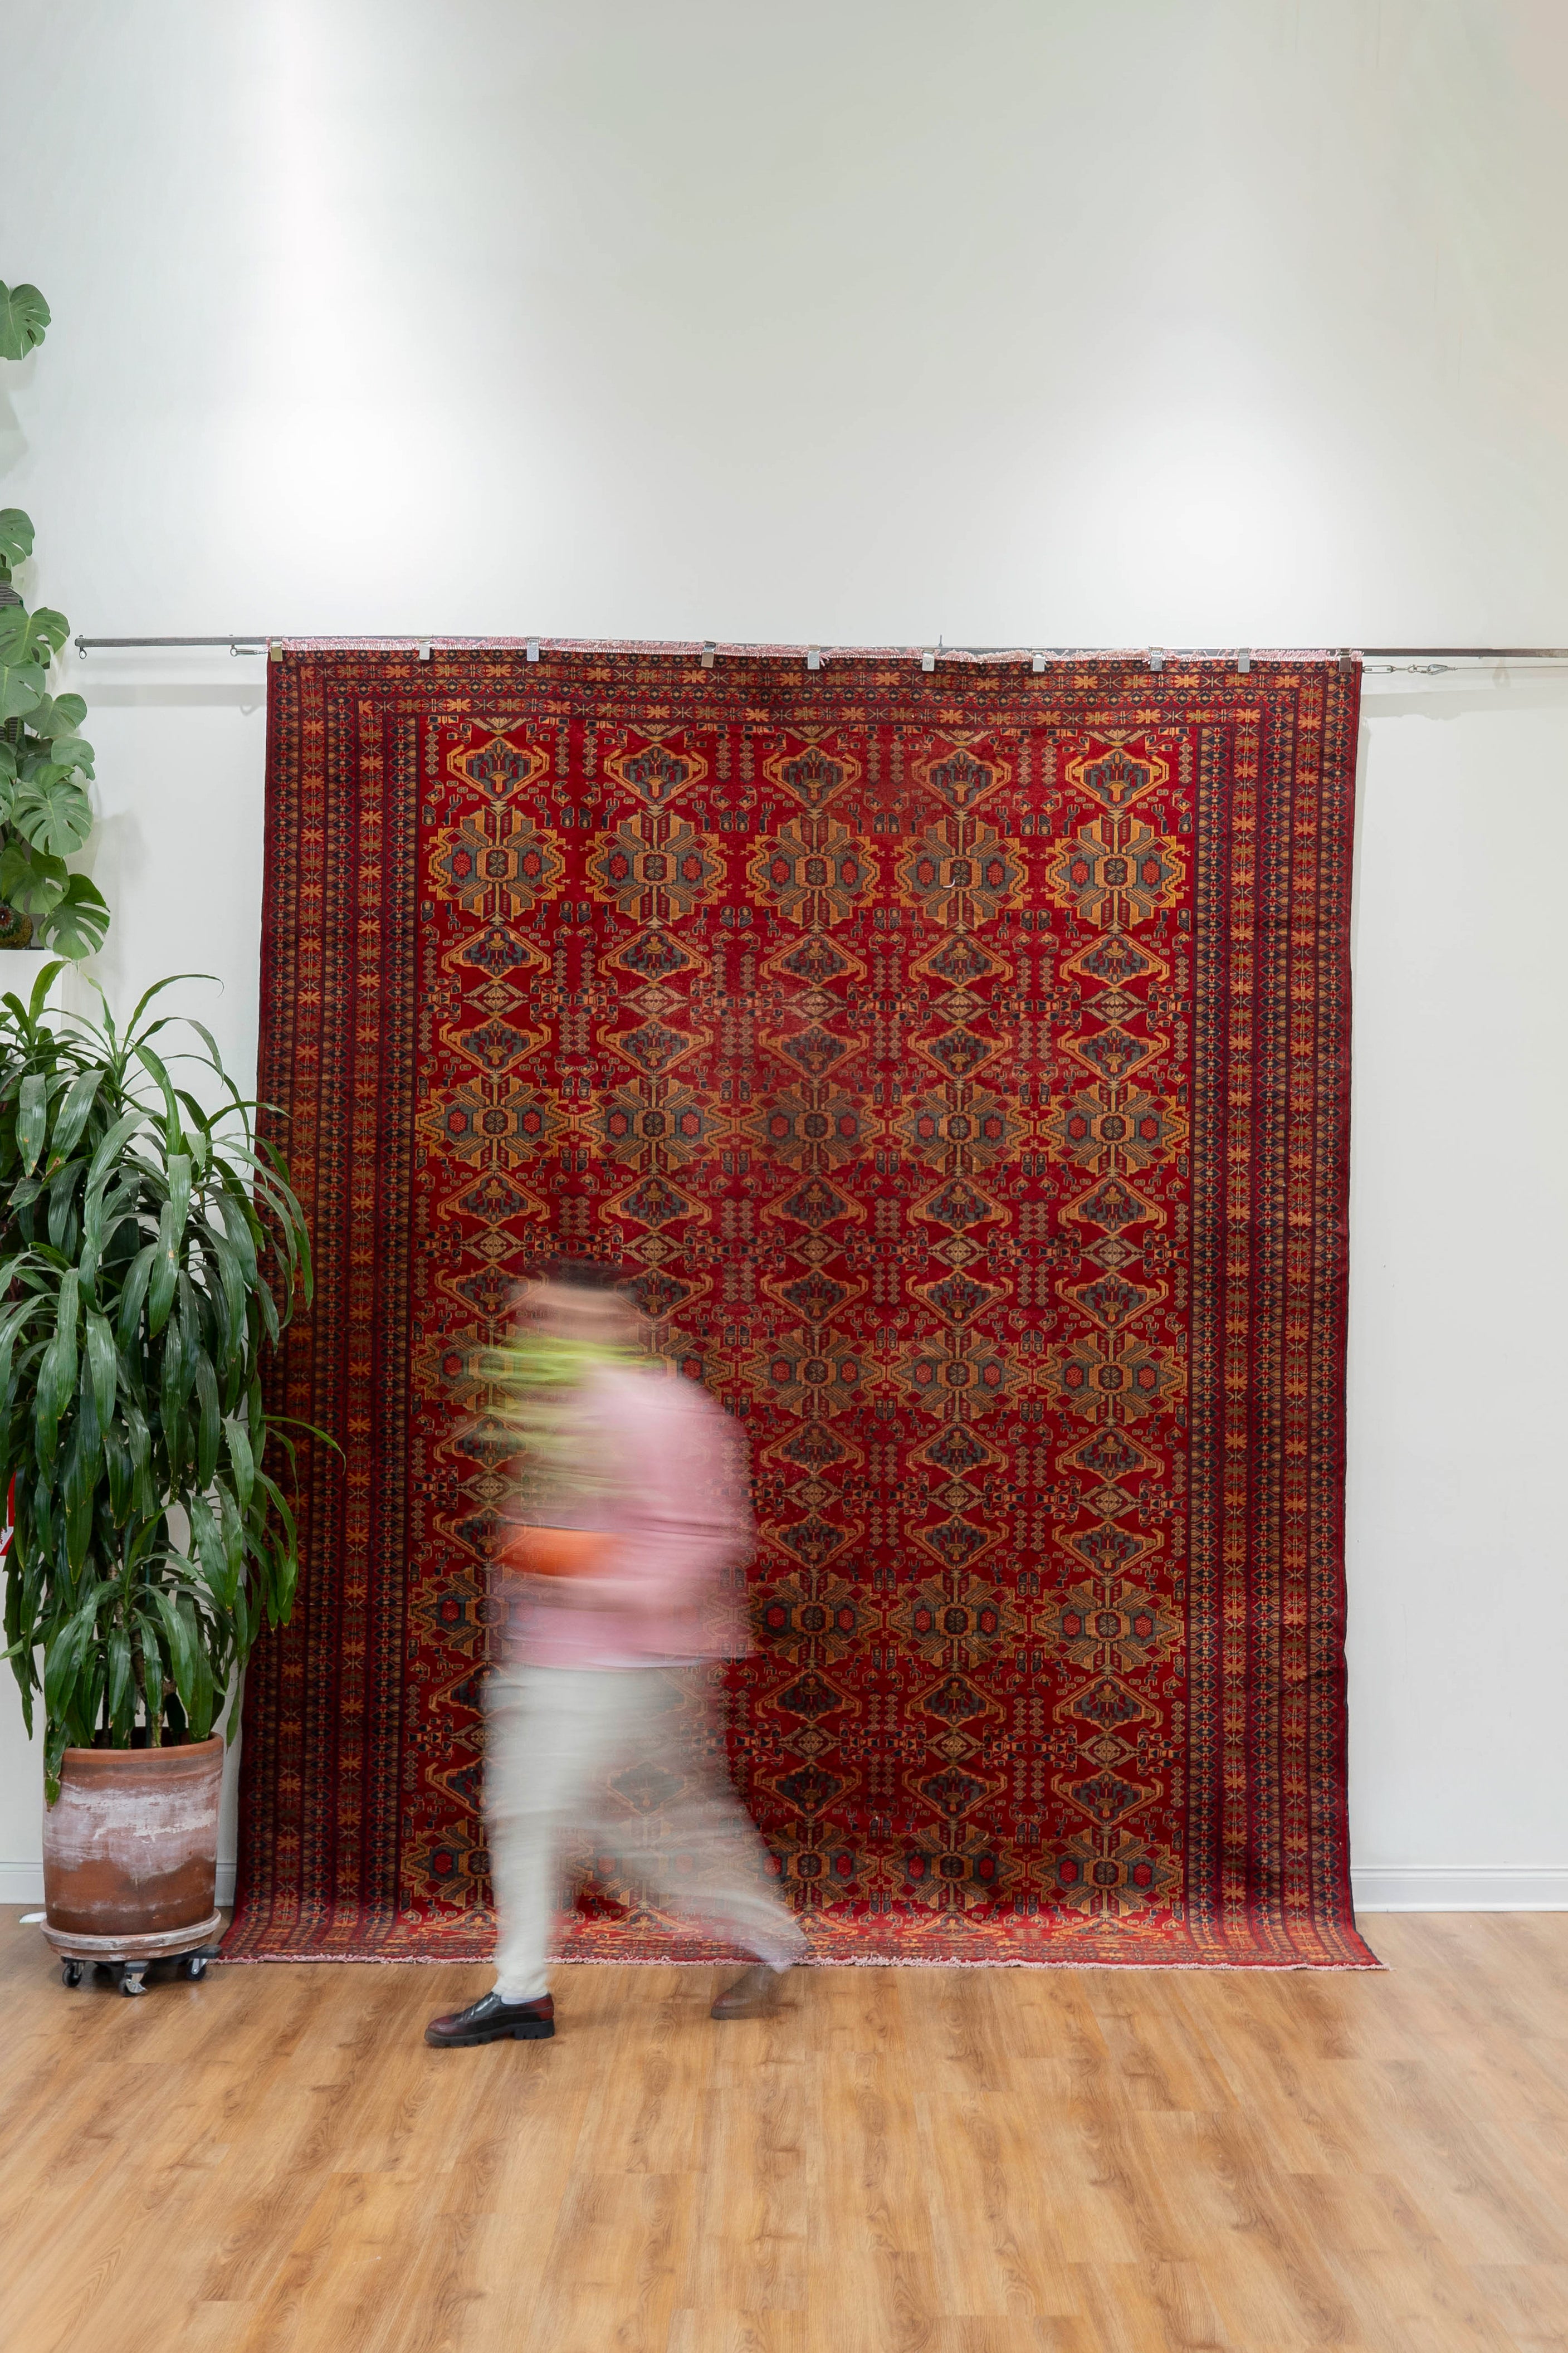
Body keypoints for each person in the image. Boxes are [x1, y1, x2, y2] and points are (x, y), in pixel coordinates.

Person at [425, 1260, 805, 2047]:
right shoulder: (556, 1410)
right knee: (623, 1819)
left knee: (557, 1813)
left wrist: (583, 1571)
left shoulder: (666, 1412)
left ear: (623, 1324)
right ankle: (769, 1940)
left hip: (629, 1661)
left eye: (573, 1317)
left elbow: (707, 1538)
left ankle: (524, 1991)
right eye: (543, 1317)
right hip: (560, 1657)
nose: (553, 1331)